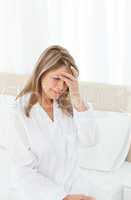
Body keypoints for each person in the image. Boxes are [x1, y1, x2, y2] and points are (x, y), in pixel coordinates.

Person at [7, 45, 105, 200]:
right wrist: (63, 197)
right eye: (56, 78)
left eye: (66, 81)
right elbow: (23, 173)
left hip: (76, 187)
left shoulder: (69, 106)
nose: (61, 87)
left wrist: (77, 99)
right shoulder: (18, 112)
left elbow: (90, 140)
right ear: (41, 73)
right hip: (41, 194)